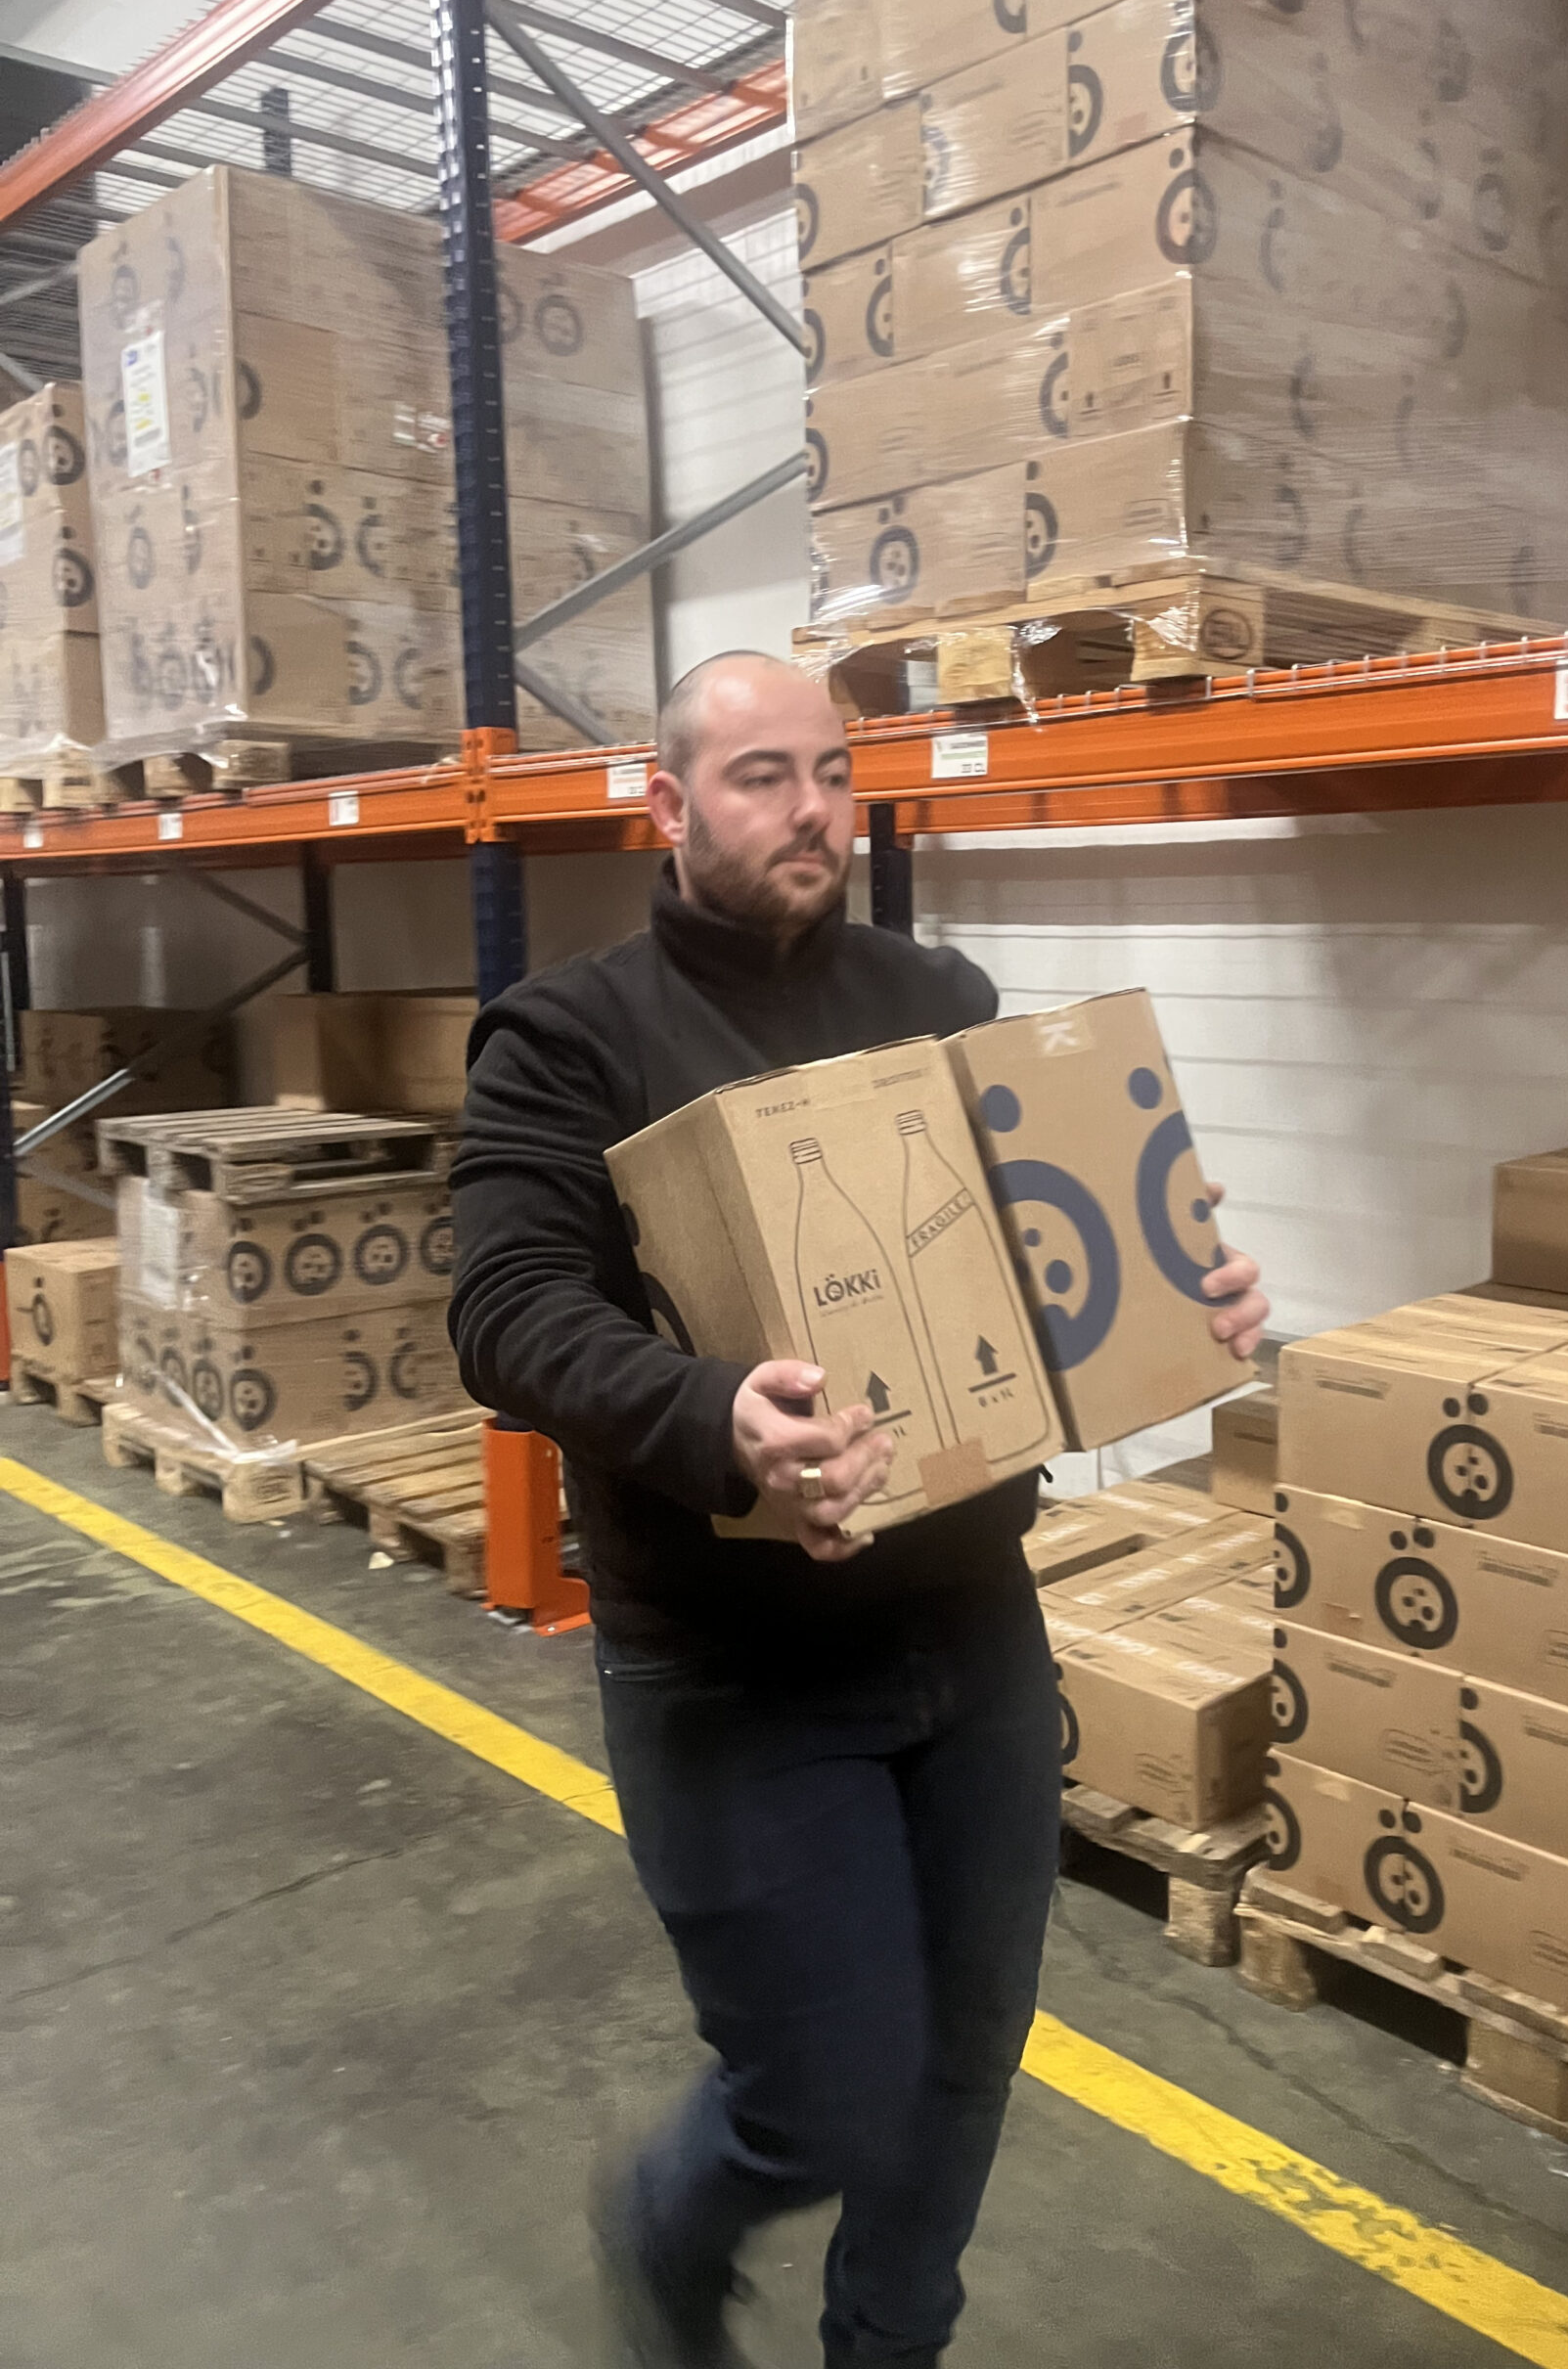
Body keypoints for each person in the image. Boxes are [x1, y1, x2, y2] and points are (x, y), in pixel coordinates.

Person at [448, 652, 1271, 2369]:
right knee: (824, 2095)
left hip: (970, 1627)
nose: (813, 808)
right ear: (667, 805)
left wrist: (1169, 1284)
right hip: (733, 1669)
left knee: (964, 2067)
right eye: (762, 776)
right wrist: (713, 1416)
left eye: (833, 771)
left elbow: (1024, 1256)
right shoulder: (570, 1036)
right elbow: (507, 1312)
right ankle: (671, 2225)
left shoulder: (936, 997)